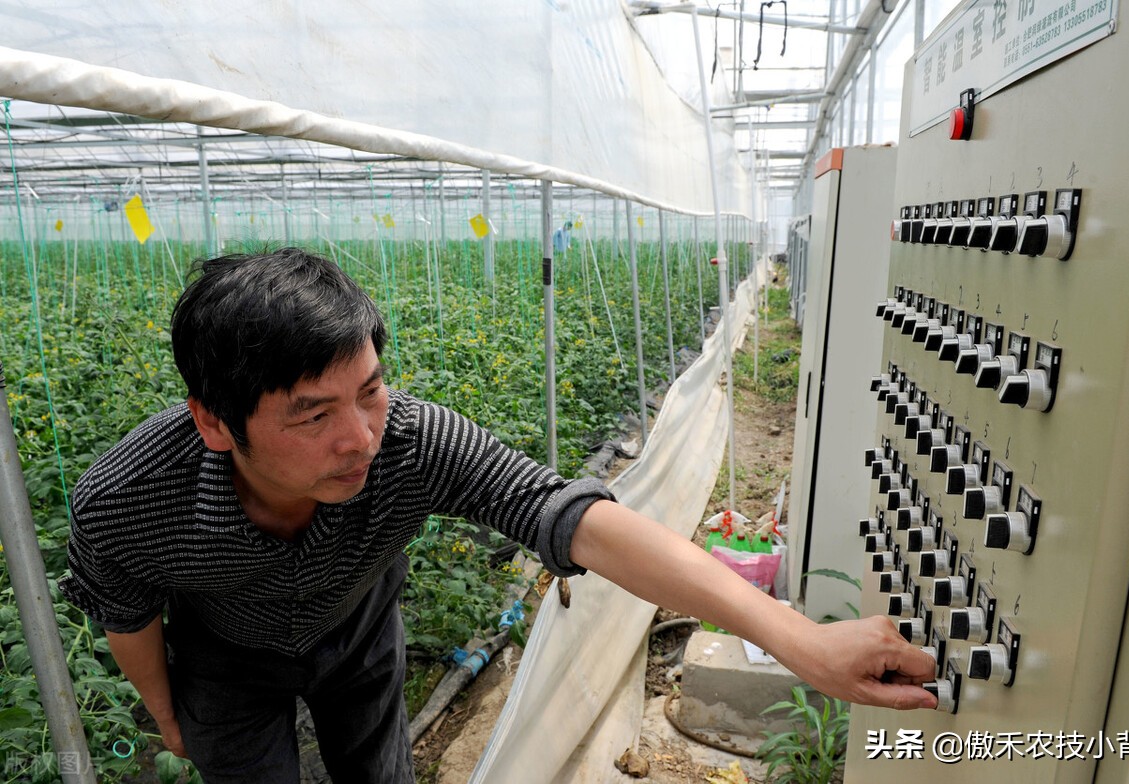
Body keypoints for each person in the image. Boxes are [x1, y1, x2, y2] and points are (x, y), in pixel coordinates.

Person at [60, 248, 934, 784]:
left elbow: (573, 517)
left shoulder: (410, 439)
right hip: (227, 659)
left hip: (359, 630)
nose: (359, 437)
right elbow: (125, 611)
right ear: (213, 422)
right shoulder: (129, 498)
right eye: (312, 414)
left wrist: (797, 638)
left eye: (369, 392)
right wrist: (170, 712)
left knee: (378, 766)